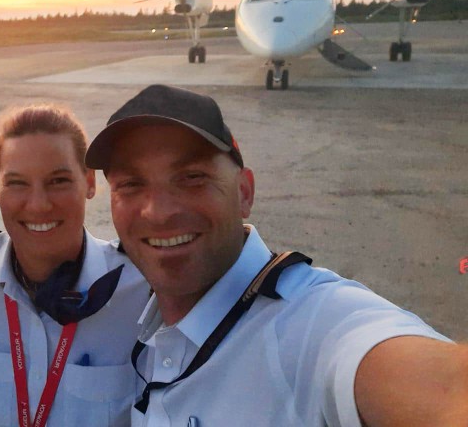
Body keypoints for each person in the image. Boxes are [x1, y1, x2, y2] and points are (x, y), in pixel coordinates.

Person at [85, 84, 468, 427]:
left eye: (192, 178)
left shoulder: (313, 325)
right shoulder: (138, 321)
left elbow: (441, 388)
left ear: (245, 192)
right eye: (131, 184)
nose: (158, 211)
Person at [0, 104, 150, 427]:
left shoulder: (139, 289)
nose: (39, 204)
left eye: (58, 180)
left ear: (90, 183)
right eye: (17, 183)